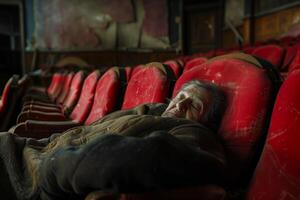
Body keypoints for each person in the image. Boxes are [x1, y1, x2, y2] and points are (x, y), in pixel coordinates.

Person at [0, 80, 226, 200]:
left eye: (194, 105)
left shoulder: (194, 132)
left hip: (37, 180)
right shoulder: (147, 111)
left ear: (205, 120)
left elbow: (144, 158)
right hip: (22, 152)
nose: (180, 105)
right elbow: (83, 132)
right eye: (180, 97)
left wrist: (53, 169)